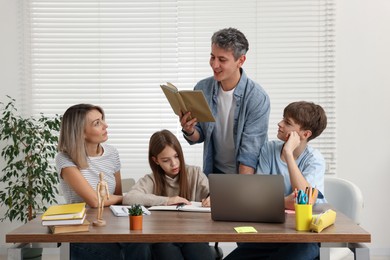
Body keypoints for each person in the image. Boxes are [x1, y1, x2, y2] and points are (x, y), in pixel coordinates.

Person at [224, 101, 328, 260]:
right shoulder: (268, 149)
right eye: (283, 119)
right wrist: (285, 201)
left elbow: (304, 200)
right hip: (270, 233)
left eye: (287, 123)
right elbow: (259, 197)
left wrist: (288, 153)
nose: (280, 124)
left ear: (305, 134)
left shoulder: (315, 160)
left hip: (303, 238)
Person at [56, 104, 152, 260]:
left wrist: (122, 199)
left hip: (111, 224)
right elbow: (95, 201)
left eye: (102, 120)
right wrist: (130, 198)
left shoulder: (112, 153)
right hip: (81, 230)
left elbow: (117, 197)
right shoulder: (65, 159)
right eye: (97, 123)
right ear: (80, 132)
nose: (105, 126)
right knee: (117, 255)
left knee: (142, 244)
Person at [180, 27, 270, 175]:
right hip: (215, 173)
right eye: (212, 57)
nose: (214, 65)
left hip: (245, 176)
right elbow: (201, 135)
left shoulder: (257, 98)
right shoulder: (202, 88)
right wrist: (189, 130)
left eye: (222, 59)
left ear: (240, 60)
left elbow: (249, 156)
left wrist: (240, 193)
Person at [123, 129, 213, 260]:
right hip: (164, 238)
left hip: (193, 234)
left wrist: (213, 199)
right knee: (165, 250)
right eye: (166, 160)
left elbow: (216, 195)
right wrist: (167, 200)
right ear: (156, 160)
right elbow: (129, 198)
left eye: (176, 156)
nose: (174, 164)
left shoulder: (195, 173)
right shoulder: (151, 179)